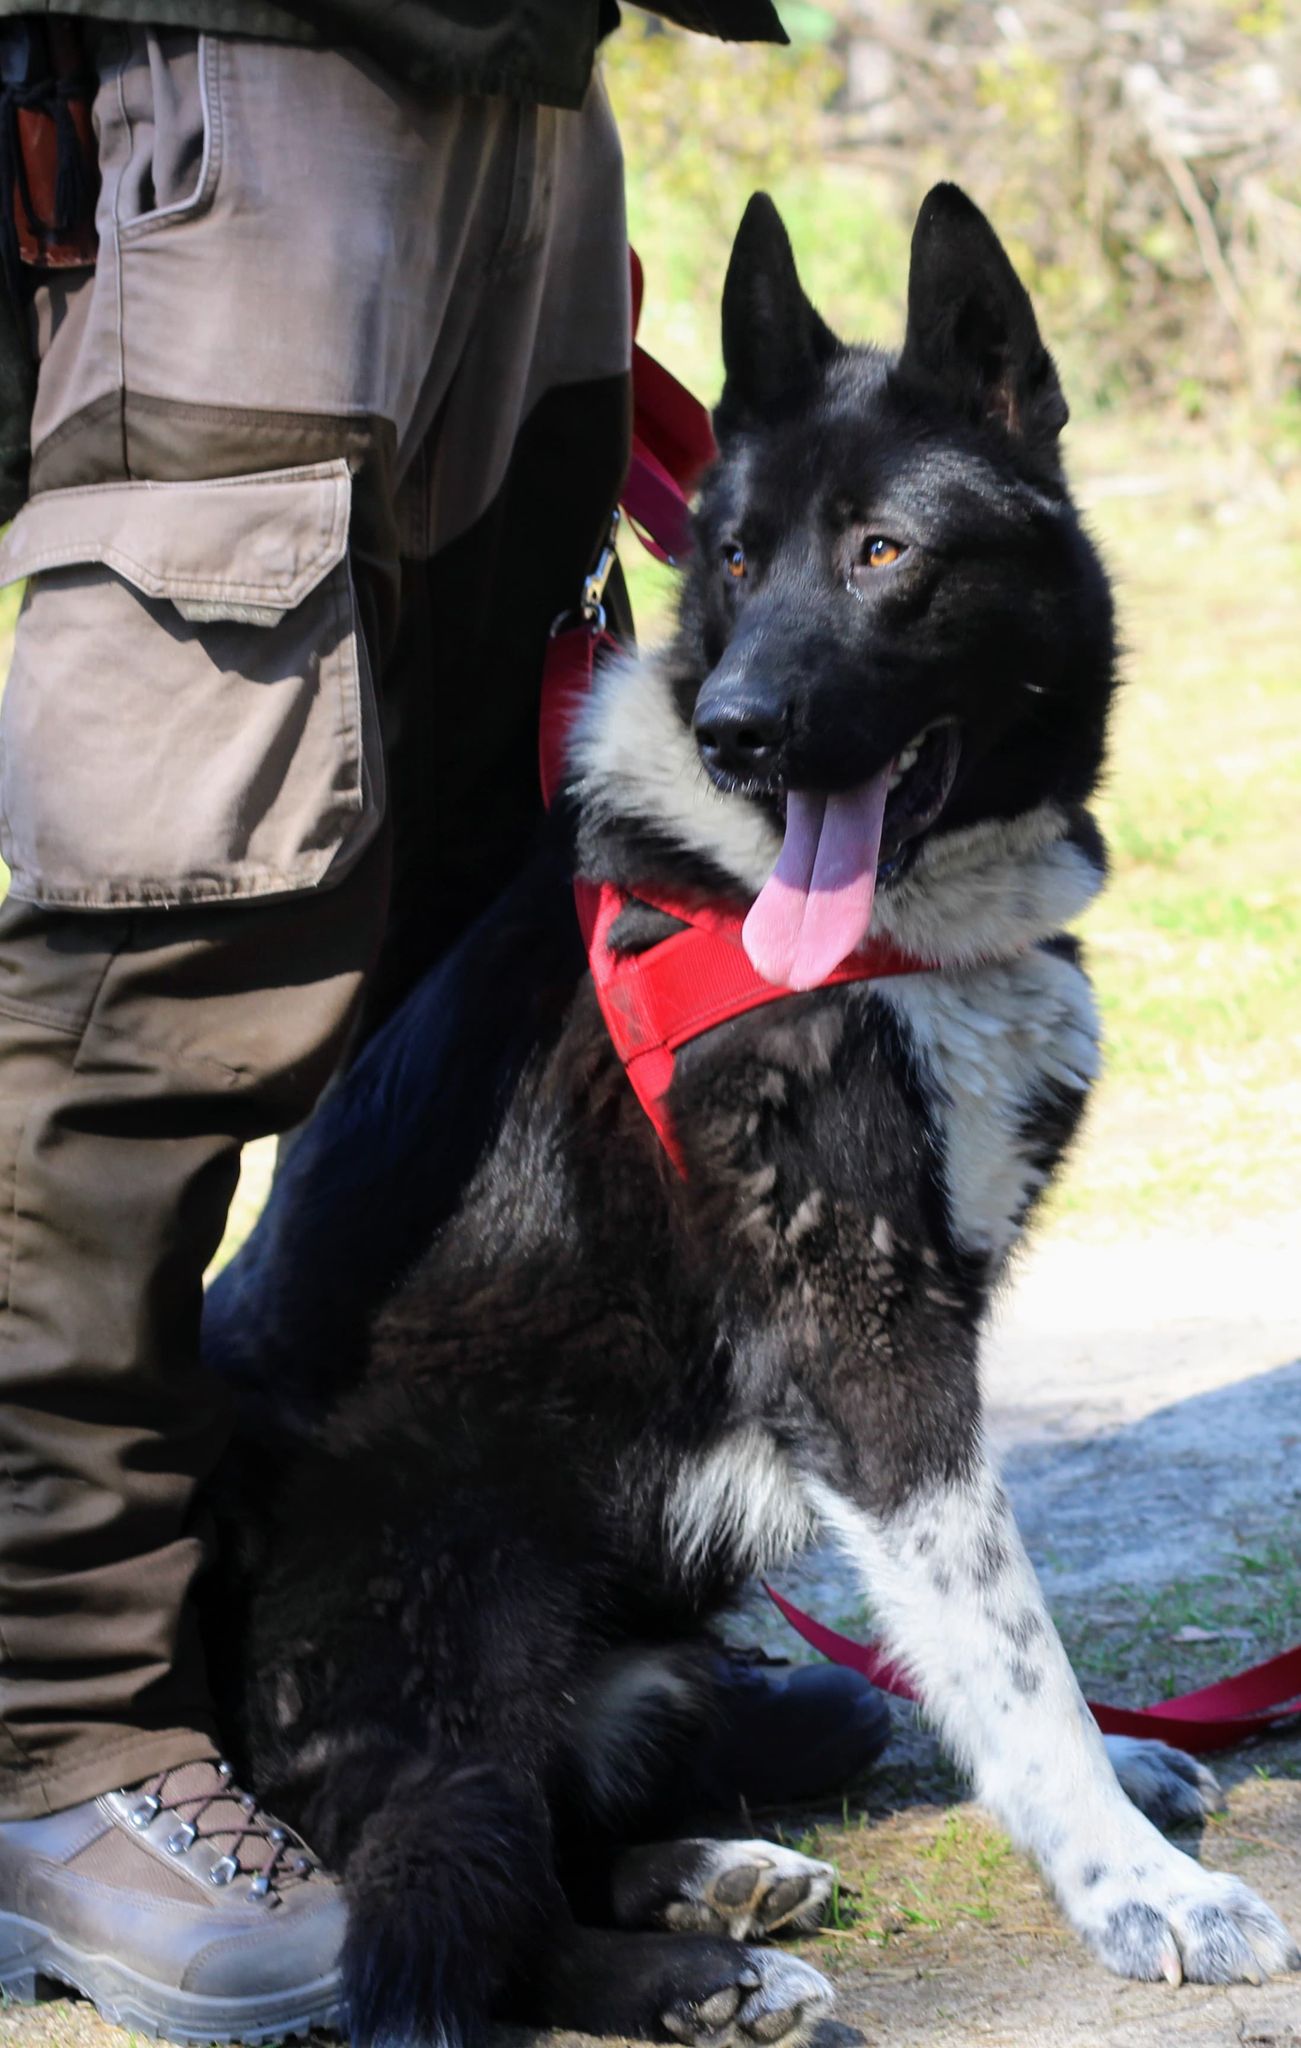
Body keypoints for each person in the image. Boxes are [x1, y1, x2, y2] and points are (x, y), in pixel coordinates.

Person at [0, 7, 888, 2039]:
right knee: (167, 945)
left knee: (488, 893)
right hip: (248, 70)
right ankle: (61, 1737)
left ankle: (429, 1680)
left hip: (526, 70)